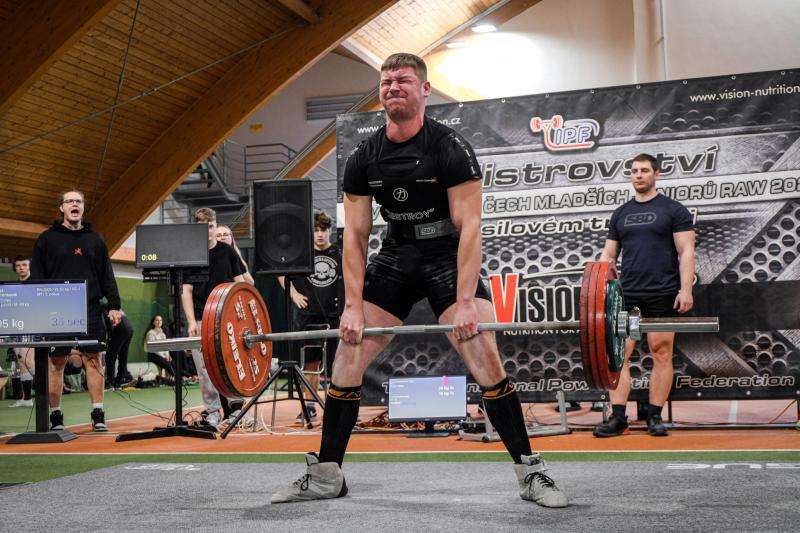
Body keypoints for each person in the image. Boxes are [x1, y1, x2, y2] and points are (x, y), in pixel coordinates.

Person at [271, 53, 567, 508]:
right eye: (386, 81)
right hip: (397, 255)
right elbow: (356, 237)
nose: (393, 87)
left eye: (403, 80)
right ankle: (327, 474)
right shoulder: (364, 156)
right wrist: (353, 306)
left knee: (485, 355)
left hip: (447, 253)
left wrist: (465, 301)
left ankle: (531, 472)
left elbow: (470, 227)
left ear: (424, 89)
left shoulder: (449, 147)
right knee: (347, 356)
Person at [592, 153, 695, 438]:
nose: (639, 175)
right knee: (619, 355)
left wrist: (686, 289)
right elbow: (608, 255)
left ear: (656, 174)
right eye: (635, 171)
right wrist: (600, 282)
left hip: (663, 293)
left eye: (644, 170)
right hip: (629, 295)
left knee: (661, 352)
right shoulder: (621, 213)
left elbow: (686, 251)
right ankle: (618, 417)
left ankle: (654, 416)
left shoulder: (674, 210)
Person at [30, 189, 122, 432]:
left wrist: (114, 305)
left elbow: (107, 274)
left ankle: (98, 413)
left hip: (90, 307)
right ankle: (56, 416)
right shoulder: (46, 239)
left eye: (78, 201)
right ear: (61, 207)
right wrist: (37, 309)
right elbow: (37, 276)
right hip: (56, 308)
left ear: (83, 207)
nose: (75, 204)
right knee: (56, 362)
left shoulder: (95, 239)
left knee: (94, 359)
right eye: (69, 201)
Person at [181, 207, 247, 429]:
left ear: (215, 226)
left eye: (211, 226)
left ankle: (235, 408)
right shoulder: (191, 254)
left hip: (226, 319)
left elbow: (240, 284)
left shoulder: (228, 252)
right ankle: (212, 412)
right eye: (203, 227)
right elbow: (186, 291)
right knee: (203, 369)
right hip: (201, 319)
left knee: (229, 363)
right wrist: (191, 321)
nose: (208, 231)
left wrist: (239, 317)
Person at [278, 210, 344, 423]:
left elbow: (355, 273)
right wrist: (294, 294)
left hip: (335, 316)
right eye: (316, 230)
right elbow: (280, 272)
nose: (320, 234)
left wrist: (346, 299)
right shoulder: (302, 253)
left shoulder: (339, 252)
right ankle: (309, 405)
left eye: (323, 229)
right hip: (309, 316)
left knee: (339, 363)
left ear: (330, 231)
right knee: (311, 364)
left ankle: (338, 408)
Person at [8, 255, 35, 408]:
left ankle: (47, 391)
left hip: (31, 327)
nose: (21, 268)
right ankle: (27, 399)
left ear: (29, 266)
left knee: (27, 360)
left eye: (24, 265)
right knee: (21, 362)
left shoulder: (34, 284)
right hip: (17, 327)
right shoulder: (16, 286)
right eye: (18, 265)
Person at [104, 308, 134, 390]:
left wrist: (110, 338)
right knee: (123, 355)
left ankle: (110, 383)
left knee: (110, 356)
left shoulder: (104, 310)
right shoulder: (116, 307)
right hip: (129, 328)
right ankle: (119, 381)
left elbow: (109, 325)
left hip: (120, 329)